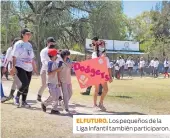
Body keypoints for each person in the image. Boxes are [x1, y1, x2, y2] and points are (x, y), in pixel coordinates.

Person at [10, 28, 38, 107]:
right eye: (27, 34)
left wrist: (35, 68)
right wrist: (13, 67)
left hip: (29, 67)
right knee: (24, 83)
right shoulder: (18, 44)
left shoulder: (29, 44)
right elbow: (14, 56)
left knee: (27, 85)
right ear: (23, 35)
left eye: (30, 34)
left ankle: (24, 101)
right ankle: (17, 96)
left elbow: (32, 58)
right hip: (20, 66)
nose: (29, 35)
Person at [91, 37, 112, 111]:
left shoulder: (105, 56)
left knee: (106, 89)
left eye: (103, 45)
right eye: (101, 45)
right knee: (96, 89)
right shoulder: (94, 54)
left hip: (103, 74)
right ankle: (94, 104)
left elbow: (108, 67)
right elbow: (95, 62)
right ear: (98, 46)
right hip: (96, 73)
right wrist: (101, 57)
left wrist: (110, 77)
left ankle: (101, 102)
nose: (102, 46)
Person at [41, 49, 63, 114]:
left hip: (55, 82)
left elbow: (57, 71)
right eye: (56, 54)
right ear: (53, 55)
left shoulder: (55, 63)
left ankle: (54, 109)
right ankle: (44, 104)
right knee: (54, 96)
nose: (57, 55)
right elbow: (49, 73)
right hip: (51, 82)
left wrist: (58, 81)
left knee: (56, 96)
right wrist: (57, 70)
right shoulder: (50, 63)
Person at [1, 38, 22, 103]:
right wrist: (4, 67)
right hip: (12, 67)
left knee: (15, 82)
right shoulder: (10, 49)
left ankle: (11, 95)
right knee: (20, 84)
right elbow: (7, 59)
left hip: (20, 67)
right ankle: (17, 97)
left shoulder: (21, 49)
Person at [37, 37, 56, 102]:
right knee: (44, 85)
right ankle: (39, 95)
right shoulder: (44, 51)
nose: (52, 44)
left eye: (53, 42)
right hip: (45, 70)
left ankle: (54, 98)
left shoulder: (54, 50)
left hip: (53, 70)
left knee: (52, 85)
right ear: (47, 43)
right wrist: (49, 65)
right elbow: (43, 60)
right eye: (51, 42)